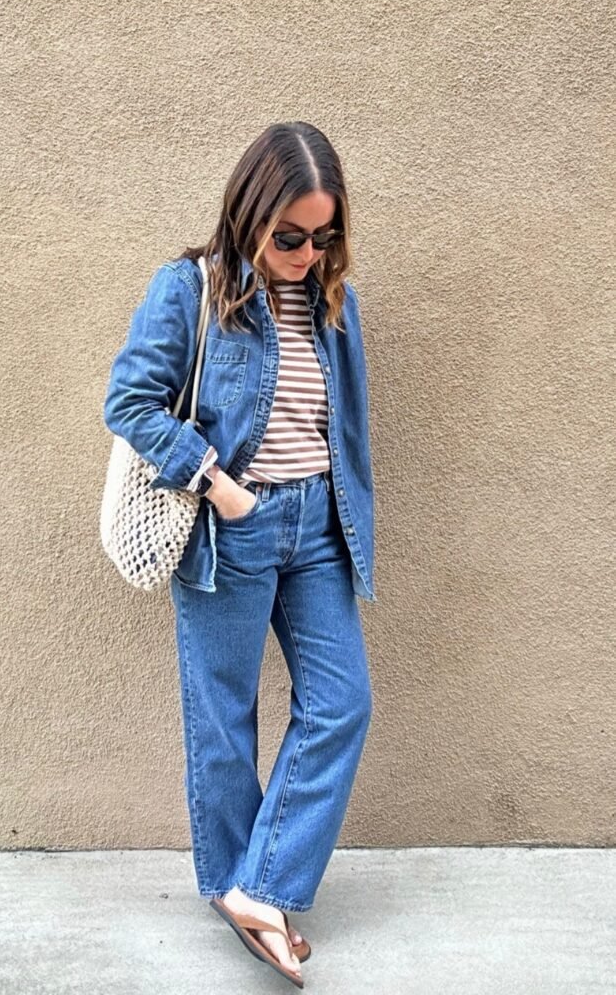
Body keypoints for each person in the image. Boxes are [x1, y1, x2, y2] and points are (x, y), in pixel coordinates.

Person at [103, 120, 376, 988]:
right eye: (289, 236)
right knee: (223, 718)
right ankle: (240, 894)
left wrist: (346, 508)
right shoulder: (191, 289)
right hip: (235, 524)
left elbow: (345, 425)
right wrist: (218, 484)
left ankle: (260, 885)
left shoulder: (336, 301)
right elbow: (130, 401)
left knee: (342, 704)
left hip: (319, 529)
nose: (306, 252)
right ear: (249, 214)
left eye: (323, 235)